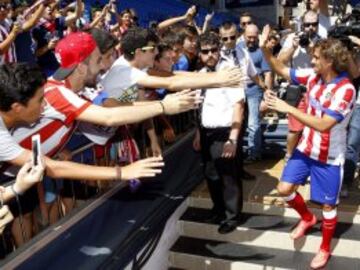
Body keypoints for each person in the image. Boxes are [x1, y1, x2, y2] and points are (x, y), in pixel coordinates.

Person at [261, 25, 356, 269]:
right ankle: (307, 217)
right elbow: (281, 69)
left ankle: (324, 248)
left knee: (328, 206)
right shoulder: (313, 76)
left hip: (330, 157)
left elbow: (324, 125)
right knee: (283, 189)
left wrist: (288, 108)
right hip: (306, 149)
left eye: (316, 58)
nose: (311, 61)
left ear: (329, 61)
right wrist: (265, 50)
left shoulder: (346, 89)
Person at [193, 32, 245, 234]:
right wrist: (199, 133)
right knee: (211, 175)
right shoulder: (200, 75)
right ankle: (218, 210)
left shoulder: (230, 72)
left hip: (225, 132)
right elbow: (200, 107)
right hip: (207, 133)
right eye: (205, 52)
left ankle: (232, 217)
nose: (210, 55)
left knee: (228, 177)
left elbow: (238, 106)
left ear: (219, 50)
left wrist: (232, 139)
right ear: (200, 54)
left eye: (214, 50)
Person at [278, 10, 321, 161]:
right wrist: (293, 47)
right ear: (302, 24)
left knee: (316, 128)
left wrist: (311, 48)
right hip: (298, 90)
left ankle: (311, 157)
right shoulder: (292, 38)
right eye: (307, 24)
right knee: (295, 128)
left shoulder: (322, 40)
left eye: (314, 24)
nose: (310, 28)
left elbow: (324, 63)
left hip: (316, 90)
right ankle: (289, 156)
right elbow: (280, 62)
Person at [241, 24, 272, 163]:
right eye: (249, 37)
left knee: (253, 123)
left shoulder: (261, 51)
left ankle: (254, 153)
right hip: (238, 90)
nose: (252, 40)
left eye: (254, 37)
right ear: (244, 35)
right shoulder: (238, 48)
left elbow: (268, 74)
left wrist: (267, 97)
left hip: (255, 91)